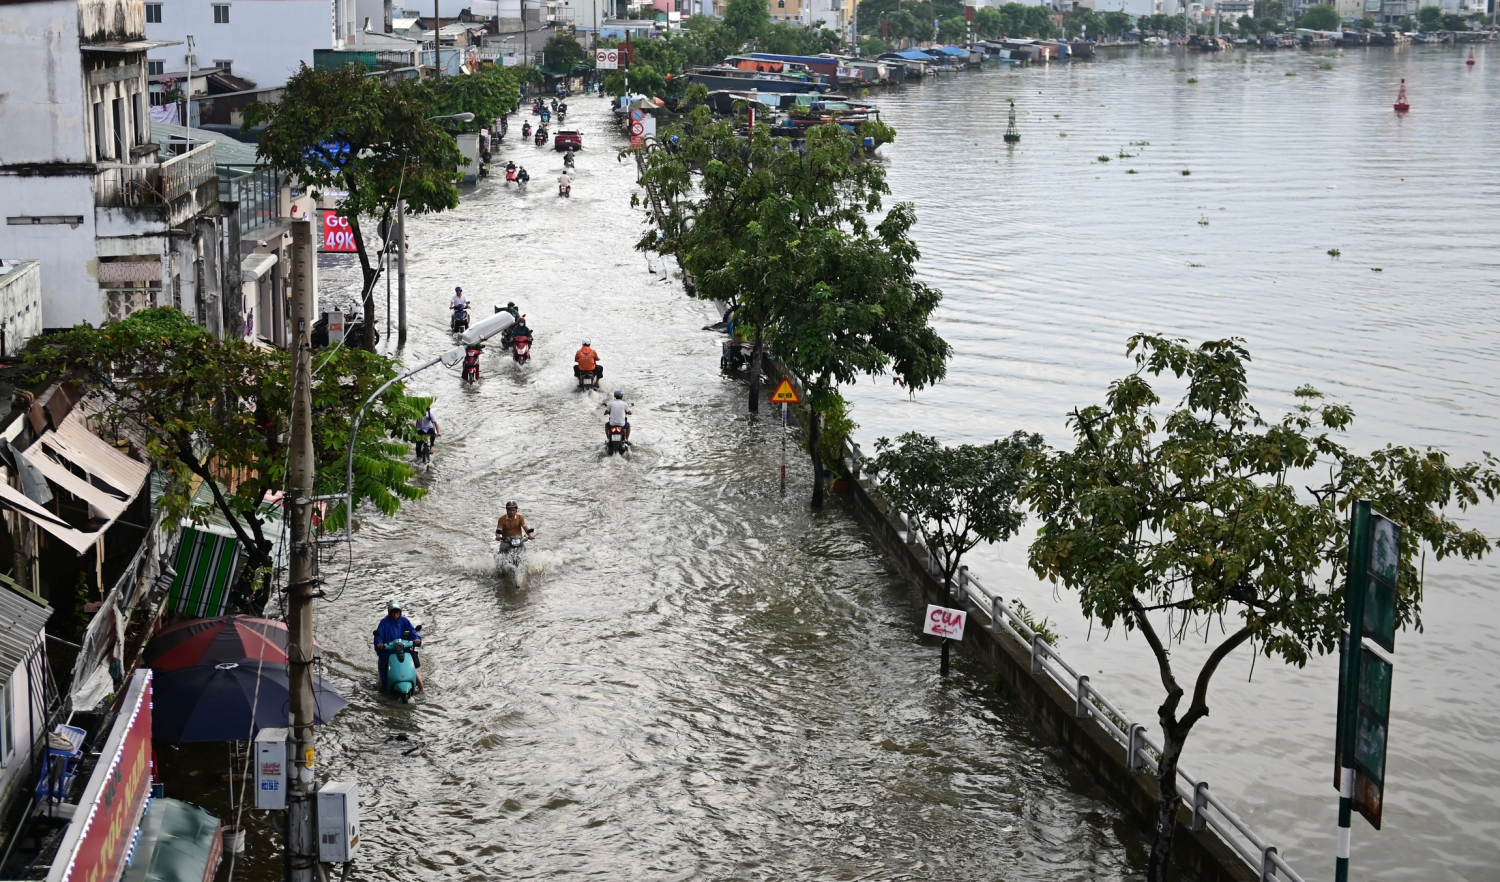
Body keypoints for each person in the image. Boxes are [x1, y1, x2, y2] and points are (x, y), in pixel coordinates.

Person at [373, 600, 422, 690]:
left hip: (404, 650)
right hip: (389, 652)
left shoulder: (404, 621)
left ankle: (423, 690)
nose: (395, 615)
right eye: (393, 613)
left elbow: (412, 631)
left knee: (413, 671)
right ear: (389, 612)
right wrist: (379, 643)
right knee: (383, 678)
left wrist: (416, 639)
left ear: (400, 612)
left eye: (397, 613)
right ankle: (376, 694)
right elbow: (378, 635)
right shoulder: (384, 622)